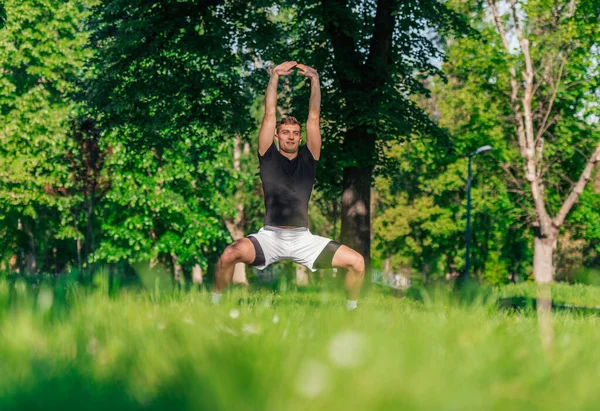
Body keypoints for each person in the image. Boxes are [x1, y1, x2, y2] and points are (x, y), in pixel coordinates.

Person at [211, 61, 365, 310]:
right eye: (286, 132)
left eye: (295, 132)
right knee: (229, 254)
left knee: (357, 262)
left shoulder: (309, 158)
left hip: (303, 239)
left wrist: (315, 79)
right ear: (277, 136)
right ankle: (214, 306)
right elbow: (269, 114)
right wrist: (274, 76)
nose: (291, 136)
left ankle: (352, 312)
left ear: (300, 137)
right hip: (271, 237)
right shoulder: (267, 156)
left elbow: (314, 118)